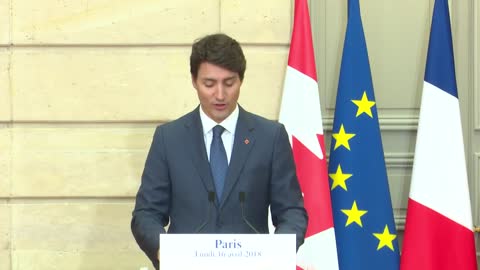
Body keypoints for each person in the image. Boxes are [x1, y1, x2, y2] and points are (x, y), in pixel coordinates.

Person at [131, 33, 307, 269]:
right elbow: (146, 214)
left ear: (241, 80)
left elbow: (292, 212)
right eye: (209, 84)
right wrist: (164, 252)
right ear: (194, 80)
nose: (220, 95)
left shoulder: (270, 137)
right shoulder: (169, 138)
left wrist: (276, 254)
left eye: (229, 83)